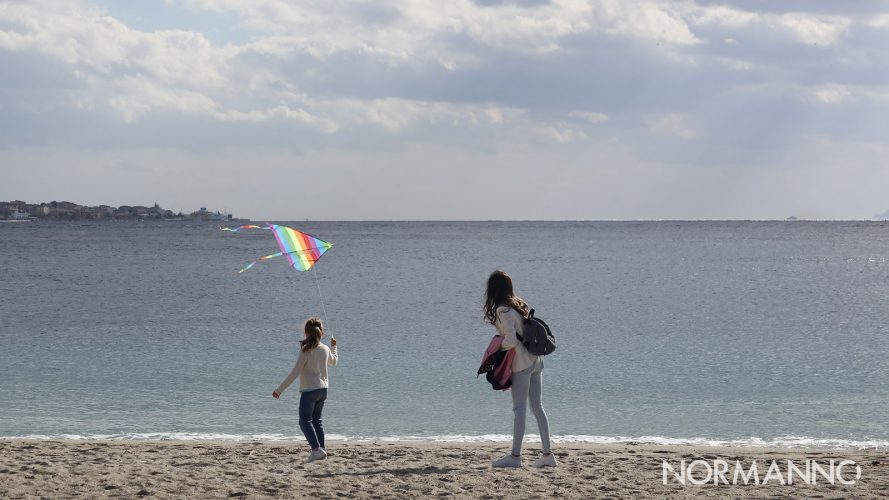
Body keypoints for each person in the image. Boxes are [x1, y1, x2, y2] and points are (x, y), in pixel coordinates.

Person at [483, 270, 556, 468]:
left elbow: (512, 341)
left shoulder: (502, 310)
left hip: (521, 364)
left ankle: (515, 457)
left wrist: (496, 346)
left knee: (519, 409)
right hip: (536, 361)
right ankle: (547, 454)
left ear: (493, 289)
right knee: (537, 407)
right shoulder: (518, 305)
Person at [272, 317, 338, 463]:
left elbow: (295, 372)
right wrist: (334, 346)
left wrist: (279, 389)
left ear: (306, 333)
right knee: (316, 421)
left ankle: (316, 450)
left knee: (304, 421)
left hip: (310, 391)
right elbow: (334, 361)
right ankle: (321, 450)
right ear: (321, 332)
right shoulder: (325, 348)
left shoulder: (306, 350)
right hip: (323, 390)